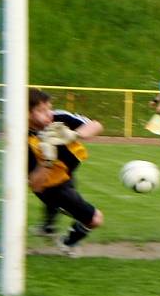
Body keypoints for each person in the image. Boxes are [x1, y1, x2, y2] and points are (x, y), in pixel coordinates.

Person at [28, 88, 104, 257]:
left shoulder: (58, 119)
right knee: (95, 219)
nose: (48, 114)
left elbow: (96, 125)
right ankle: (68, 242)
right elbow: (36, 185)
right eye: (41, 110)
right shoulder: (24, 140)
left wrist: (74, 135)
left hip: (65, 175)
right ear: (26, 113)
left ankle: (46, 228)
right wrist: (47, 160)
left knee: (56, 205)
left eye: (49, 108)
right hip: (52, 187)